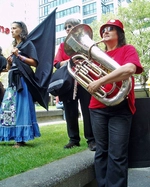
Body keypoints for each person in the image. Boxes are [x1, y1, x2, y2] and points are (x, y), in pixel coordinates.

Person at [86, 19, 143, 187]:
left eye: (111, 29)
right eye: (103, 29)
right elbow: (86, 77)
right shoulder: (94, 55)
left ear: (120, 33)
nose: (105, 31)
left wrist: (100, 81)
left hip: (121, 108)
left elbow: (129, 70)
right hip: (97, 108)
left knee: (117, 153)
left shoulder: (128, 49)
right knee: (101, 151)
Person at [54, 18, 96, 151]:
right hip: (68, 82)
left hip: (85, 79)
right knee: (70, 111)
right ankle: (73, 139)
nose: (67, 28)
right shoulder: (62, 46)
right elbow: (56, 63)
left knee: (88, 110)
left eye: (70, 26)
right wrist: (71, 61)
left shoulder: (87, 43)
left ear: (78, 28)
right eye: (65, 27)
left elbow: (94, 60)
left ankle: (92, 139)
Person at [0, 21, 41, 147]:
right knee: (8, 108)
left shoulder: (27, 44)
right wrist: (9, 62)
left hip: (22, 81)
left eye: (14, 28)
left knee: (21, 108)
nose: (12, 30)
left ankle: (20, 138)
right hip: (12, 80)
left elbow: (34, 62)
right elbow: (9, 67)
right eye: (11, 28)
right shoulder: (14, 46)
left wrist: (19, 56)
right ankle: (11, 135)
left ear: (21, 30)